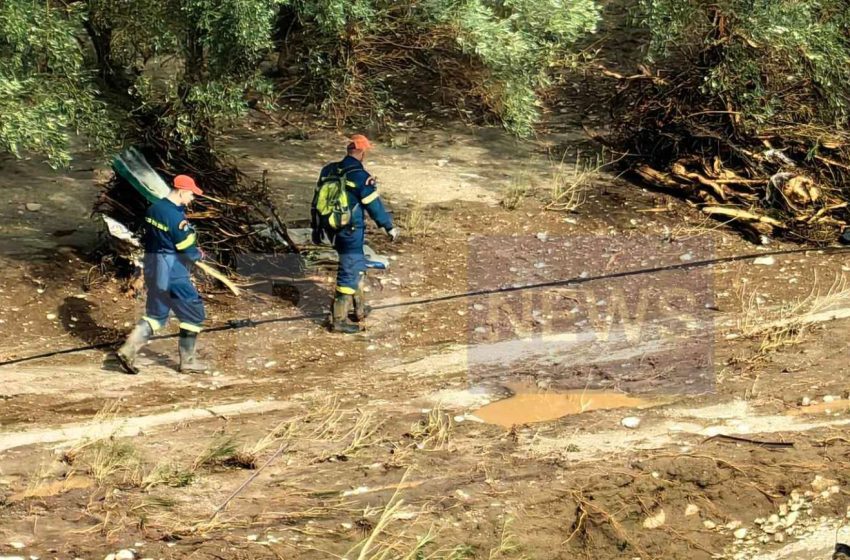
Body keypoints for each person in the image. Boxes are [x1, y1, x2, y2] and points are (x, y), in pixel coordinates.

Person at [115, 174, 209, 374]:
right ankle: (188, 362)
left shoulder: (154, 208)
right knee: (194, 314)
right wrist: (197, 254)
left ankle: (128, 349)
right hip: (172, 269)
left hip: (152, 265)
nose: (192, 199)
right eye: (191, 195)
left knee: (156, 315)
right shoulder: (176, 217)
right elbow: (185, 246)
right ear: (182, 191)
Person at [313, 135, 399, 333]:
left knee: (356, 265)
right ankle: (339, 319)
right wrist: (388, 226)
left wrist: (315, 228)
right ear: (362, 152)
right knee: (349, 270)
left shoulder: (329, 170)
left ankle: (359, 309)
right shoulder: (360, 175)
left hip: (331, 229)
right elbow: (374, 205)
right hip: (350, 231)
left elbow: (316, 201)